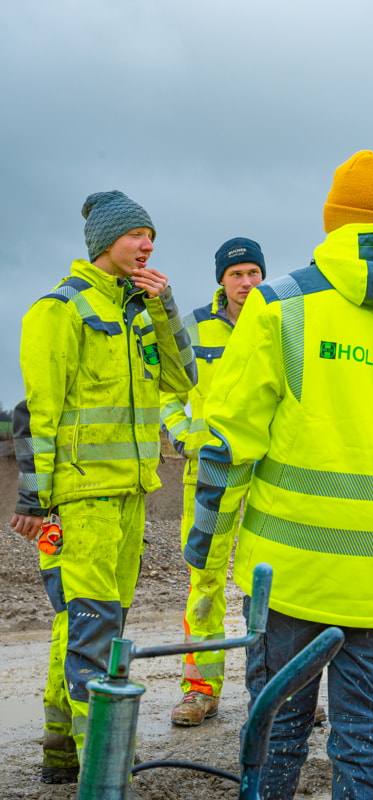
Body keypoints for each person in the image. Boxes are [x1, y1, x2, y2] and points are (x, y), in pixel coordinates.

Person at [186, 150, 373, 799]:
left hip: (287, 574)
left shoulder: (279, 306)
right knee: (366, 729)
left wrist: (205, 551)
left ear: (332, 221)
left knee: (278, 727)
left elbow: (227, 444)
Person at [10, 191, 196, 784]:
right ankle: (104, 766)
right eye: (137, 235)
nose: (147, 246)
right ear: (105, 241)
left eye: (152, 237)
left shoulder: (138, 314)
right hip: (82, 498)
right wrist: (33, 497)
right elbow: (39, 412)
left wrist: (165, 307)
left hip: (130, 496)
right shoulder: (59, 310)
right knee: (94, 628)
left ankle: (62, 751)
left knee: (91, 624)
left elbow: (183, 379)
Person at [161, 237, 265, 726]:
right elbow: (165, 390)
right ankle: (200, 690)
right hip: (206, 472)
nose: (246, 283)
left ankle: (276, 690)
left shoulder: (279, 320)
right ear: (221, 280)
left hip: (266, 472)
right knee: (204, 578)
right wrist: (184, 437)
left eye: (253, 273)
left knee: (268, 578)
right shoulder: (193, 326)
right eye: (236, 274)